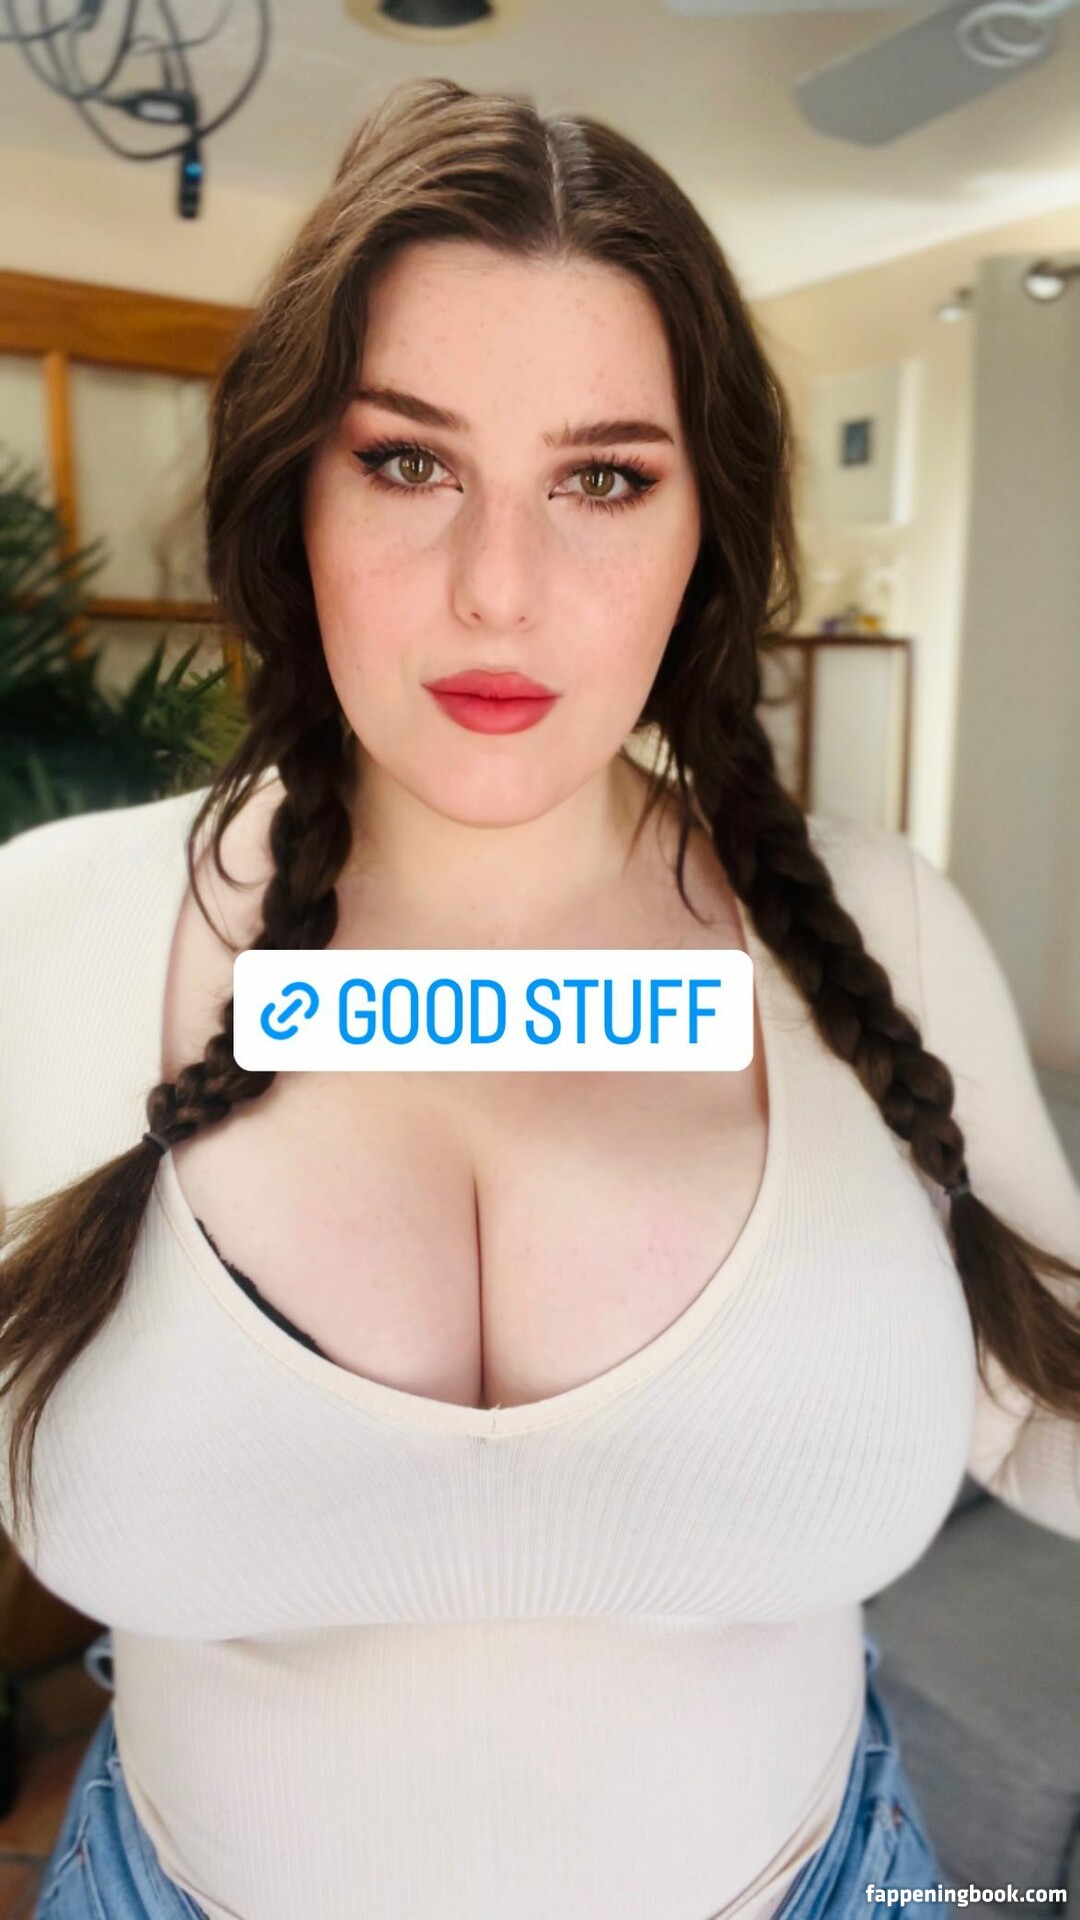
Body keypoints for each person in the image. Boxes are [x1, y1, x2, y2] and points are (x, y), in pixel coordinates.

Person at [1, 75, 1078, 1920]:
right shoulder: (52, 929)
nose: (498, 590)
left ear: (703, 526)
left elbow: (1047, 1401)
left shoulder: (878, 933)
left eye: (604, 478)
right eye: (408, 463)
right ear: (293, 490)